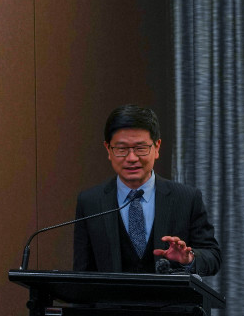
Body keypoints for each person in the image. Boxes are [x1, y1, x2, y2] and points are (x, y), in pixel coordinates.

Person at [73, 104, 221, 275]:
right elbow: (81, 273)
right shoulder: (90, 202)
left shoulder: (187, 198)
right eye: (121, 149)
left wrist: (189, 258)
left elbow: (213, 257)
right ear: (108, 149)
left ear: (157, 147)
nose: (131, 158)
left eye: (141, 148)